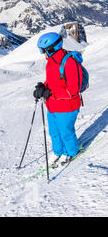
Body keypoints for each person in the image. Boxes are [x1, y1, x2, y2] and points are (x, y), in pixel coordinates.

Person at [34, 32, 83, 166]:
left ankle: (71, 152)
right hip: (53, 105)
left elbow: (73, 90)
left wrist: (50, 93)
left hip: (68, 106)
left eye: (43, 50)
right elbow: (53, 82)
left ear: (52, 49)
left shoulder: (70, 63)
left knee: (66, 132)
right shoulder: (51, 62)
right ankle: (58, 151)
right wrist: (43, 88)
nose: (42, 54)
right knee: (54, 132)